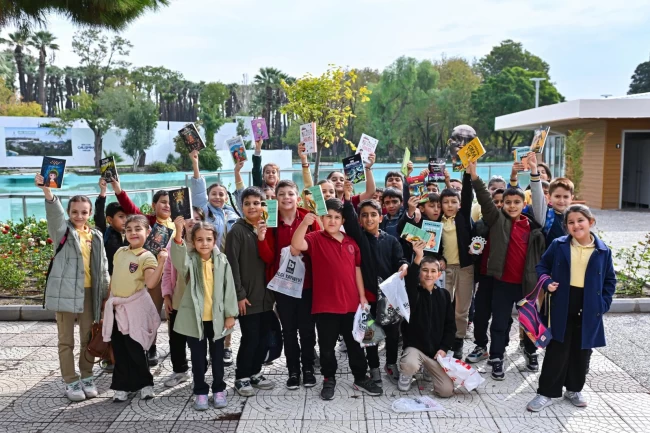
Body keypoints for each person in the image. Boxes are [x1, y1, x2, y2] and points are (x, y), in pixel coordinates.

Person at [291, 199, 383, 400]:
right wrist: (305, 223)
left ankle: (360, 377)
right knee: (326, 347)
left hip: (351, 305)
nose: (332, 221)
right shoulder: (315, 238)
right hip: (325, 306)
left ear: (342, 220)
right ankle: (329, 378)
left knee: (356, 345)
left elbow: (357, 270)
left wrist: (362, 296)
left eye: (336, 217)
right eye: (328, 217)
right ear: (322, 219)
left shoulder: (351, 242)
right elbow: (296, 245)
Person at [527, 205, 616, 412]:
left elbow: (610, 280)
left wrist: (603, 303)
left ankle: (574, 389)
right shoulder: (559, 245)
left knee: (581, 350)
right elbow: (542, 267)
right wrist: (546, 282)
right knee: (557, 349)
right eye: (571, 222)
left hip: (589, 306)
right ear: (566, 226)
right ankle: (546, 392)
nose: (576, 225)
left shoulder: (603, 251)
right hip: (562, 303)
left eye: (580, 220)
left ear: (590, 222)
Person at [467, 161, 546, 380]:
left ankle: (531, 352)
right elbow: (485, 198)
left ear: (524, 203)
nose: (511, 206)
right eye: (507, 202)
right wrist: (474, 177)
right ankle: (496, 357)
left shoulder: (533, 226)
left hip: (526, 285)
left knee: (529, 322)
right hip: (502, 284)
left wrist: (533, 173)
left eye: (516, 202)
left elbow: (539, 201)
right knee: (499, 323)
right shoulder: (496, 220)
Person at [36, 174, 109, 402]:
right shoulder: (62, 231)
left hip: (89, 294)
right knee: (66, 340)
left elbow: (103, 268)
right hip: (65, 292)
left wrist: (105, 296)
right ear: (69, 212)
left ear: (89, 213)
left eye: (84, 212)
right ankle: (70, 380)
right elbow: (54, 214)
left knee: (88, 338)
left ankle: (87, 376)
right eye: (75, 211)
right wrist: (47, 191)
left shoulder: (96, 236)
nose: (79, 216)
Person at [341, 183, 408, 385]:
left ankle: (391, 364)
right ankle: (374, 367)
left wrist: (404, 266)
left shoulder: (392, 240)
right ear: (360, 220)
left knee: (393, 334)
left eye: (373, 215)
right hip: (368, 296)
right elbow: (349, 218)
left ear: (381, 217)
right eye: (364, 215)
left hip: (389, 297)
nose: (369, 219)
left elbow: (400, 259)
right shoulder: (359, 238)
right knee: (371, 335)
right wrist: (347, 198)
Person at [258, 180, 321, 390]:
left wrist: (301, 248)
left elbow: (319, 248)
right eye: (282, 194)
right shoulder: (270, 220)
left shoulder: (308, 218)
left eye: (290, 193)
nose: (286, 197)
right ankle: (293, 371)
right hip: (284, 285)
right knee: (289, 330)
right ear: (275, 198)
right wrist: (261, 238)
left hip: (308, 284)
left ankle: (308, 368)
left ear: (298, 197)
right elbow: (268, 257)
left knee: (307, 329)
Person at [171, 219, 238, 410]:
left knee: (217, 357)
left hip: (217, 319)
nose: (204, 243)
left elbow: (229, 288)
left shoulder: (222, 260)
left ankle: (218, 389)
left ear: (214, 240)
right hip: (195, 319)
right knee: (198, 359)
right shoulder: (190, 260)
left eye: (208, 239)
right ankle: (200, 391)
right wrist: (178, 232)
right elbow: (179, 262)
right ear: (193, 241)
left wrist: (230, 314)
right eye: (199, 239)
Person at [112, 179, 175, 366]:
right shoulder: (148, 222)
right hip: (152, 274)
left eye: (170, 202)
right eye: (163, 202)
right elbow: (129, 207)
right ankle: (150, 346)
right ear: (154, 205)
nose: (167, 205)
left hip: (173, 274)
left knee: (174, 313)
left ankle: (175, 346)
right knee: (151, 312)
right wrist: (118, 189)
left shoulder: (178, 223)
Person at [102, 215, 164, 402]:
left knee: (136, 348)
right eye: (129, 229)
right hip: (117, 308)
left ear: (148, 232)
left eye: (138, 229)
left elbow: (151, 283)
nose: (133, 233)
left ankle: (145, 384)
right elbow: (114, 278)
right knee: (119, 349)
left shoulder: (147, 256)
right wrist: (108, 301)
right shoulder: (120, 252)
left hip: (135, 309)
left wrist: (162, 262)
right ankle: (122, 386)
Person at [225, 187, 276, 396]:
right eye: (247, 204)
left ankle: (255, 372)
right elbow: (232, 265)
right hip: (247, 297)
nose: (252, 207)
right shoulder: (237, 231)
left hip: (266, 296)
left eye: (256, 203)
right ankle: (242, 376)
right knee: (250, 338)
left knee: (264, 337)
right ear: (241, 206)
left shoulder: (267, 228)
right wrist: (239, 295)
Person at [398, 241, 455, 397]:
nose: (429, 275)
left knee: (446, 391)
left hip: (435, 353)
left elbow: (450, 326)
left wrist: (444, 348)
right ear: (419, 273)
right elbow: (410, 281)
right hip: (415, 348)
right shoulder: (413, 293)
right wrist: (418, 257)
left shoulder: (444, 295)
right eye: (424, 270)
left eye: (433, 271)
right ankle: (406, 373)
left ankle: (427, 370)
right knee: (410, 364)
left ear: (439, 274)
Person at [465, 188, 512, 364]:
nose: (498, 205)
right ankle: (480, 346)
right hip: (485, 276)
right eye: (495, 202)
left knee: (503, 316)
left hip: (505, 278)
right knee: (480, 314)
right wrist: (473, 254)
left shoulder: (512, 224)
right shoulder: (480, 224)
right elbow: (474, 249)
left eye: (502, 202)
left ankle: (501, 346)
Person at [161, 207, 205, 387]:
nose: (192, 221)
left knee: (198, 339)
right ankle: (180, 370)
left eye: (197, 218)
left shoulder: (206, 242)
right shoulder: (174, 242)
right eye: (189, 217)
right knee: (176, 338)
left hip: (199, 301)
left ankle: (199, 373)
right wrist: (166, 295)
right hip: (178, 298)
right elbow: (167, 271)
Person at [437, 171, 474, 359]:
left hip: (465, 269)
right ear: (441, 204)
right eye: (446, 202)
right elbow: (432, 245)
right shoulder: (436, 221)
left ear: (459, 204)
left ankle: (458, 340)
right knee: (443, 306)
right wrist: (439, 258)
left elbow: (467, 194)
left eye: (454, 202)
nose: (450, 205)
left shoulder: (462, 217)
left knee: (461, 309)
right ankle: (444, 338)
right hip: (445, 270)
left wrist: (467, 173)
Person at [528, 152, 574, 247]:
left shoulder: (574, 218)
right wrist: (534, 169)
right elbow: (537, 195)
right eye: (557, 196)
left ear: (571, 198)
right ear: (549, 197)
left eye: (565, 197)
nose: (561, 200)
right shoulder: (546, 216)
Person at [94, 179, 128, 276]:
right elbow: (99, 215)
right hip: (110, 277)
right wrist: (103, 192)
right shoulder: (106, 233)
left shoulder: (131, 235)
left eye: (127, 217)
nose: (125, 220)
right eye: (121, 217)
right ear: (109, 219)